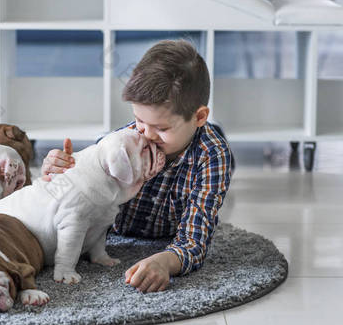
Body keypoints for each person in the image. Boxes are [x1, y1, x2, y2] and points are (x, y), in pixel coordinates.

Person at [41, 40, 232, 293]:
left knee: (215, 144)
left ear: (198, 117)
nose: (147, 135)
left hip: (175, 211)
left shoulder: (212, 156)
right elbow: (79, 188)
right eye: (139, 120)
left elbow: (195, 241)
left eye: (161, 128)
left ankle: (212, 129)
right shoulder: (125, 141)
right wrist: (58, 171)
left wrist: (165, 261)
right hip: (120, 226)